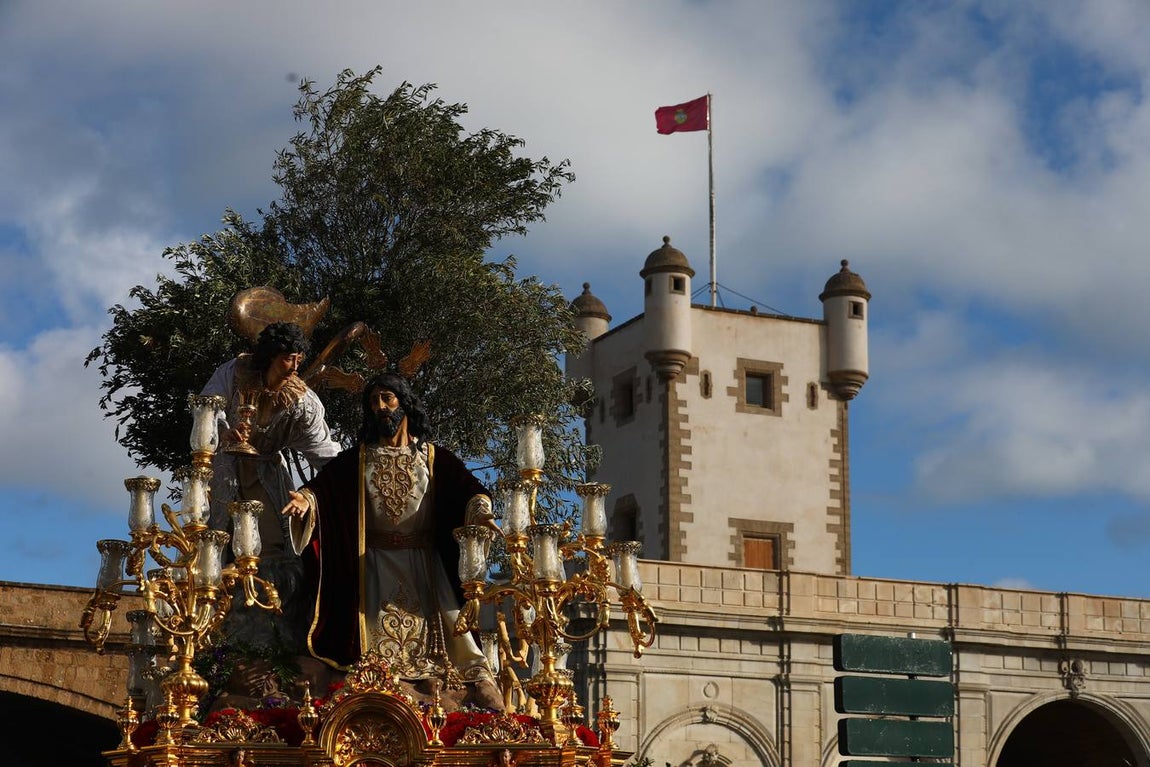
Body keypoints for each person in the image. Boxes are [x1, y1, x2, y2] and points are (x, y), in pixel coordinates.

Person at [281, 372, 501, 708]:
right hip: (373, 565)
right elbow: (324, 489)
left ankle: (450, 682)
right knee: (370, 634)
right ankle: (378, 678)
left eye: (387, 398)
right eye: (374, 401)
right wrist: (306, 501)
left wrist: (480, 511)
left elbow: (469, 490)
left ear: (405, 402)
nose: (381, 407)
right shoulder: (358, 459)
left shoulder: (432, 457)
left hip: (423, 564)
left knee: (448, 633)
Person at [201, 321, 342, 650]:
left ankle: (273, 634)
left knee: (275, 553)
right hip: (224, 473)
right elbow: (207, 407)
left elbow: (326, 456)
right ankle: (216, 638)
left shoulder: (302, 402)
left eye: (297, 359)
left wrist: (347, 478)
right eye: (286, 359)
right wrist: (221, 430)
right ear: (269, 357)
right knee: (211, 547)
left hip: (266, 477)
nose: (293, 367)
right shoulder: (234, 372)